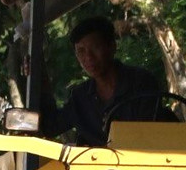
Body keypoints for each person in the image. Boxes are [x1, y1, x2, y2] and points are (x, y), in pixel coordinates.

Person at [41, 16, 174, 147]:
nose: (88, 57)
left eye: (95, 48)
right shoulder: (80, 97)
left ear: (112, 47)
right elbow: (50, 127)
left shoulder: (141, 82)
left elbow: (149, 134)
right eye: (81, 51)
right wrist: (38, 77)